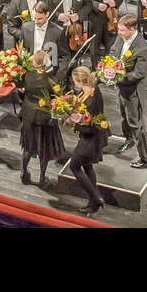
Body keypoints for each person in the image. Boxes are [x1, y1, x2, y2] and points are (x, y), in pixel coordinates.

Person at [111, 14, 147, 169]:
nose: (119, 33)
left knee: (136, 124)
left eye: (122, 30)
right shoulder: (120, 38)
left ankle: (146, 158)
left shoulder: (142, 47)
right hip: (121, 87)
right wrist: (109, 67)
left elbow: (139, 73)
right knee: (124, 117)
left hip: (132, 91)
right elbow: (113, 52)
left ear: (132, 29)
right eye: (119, 29)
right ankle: (129, 139)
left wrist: (118, 78)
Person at [18, 49, 65, 188]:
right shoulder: (50, 81)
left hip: (28, 116)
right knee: (43, 151)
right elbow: (57, 98)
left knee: (27, 147)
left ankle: (24, 173)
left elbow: (21, 89)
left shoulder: (27, 76)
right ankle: (42, 178)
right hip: (43, 119)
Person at [66, 66, 110, 215]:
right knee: (87, 166)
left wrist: (74, 124)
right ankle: (94, 204)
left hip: (91, 139)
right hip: (92, 137)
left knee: (74, 165)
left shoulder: (90, 102)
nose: (74, 84)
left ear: (80, 81)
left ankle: (96, 197)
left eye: (74, 81)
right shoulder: (92, 90)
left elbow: (89, 126)